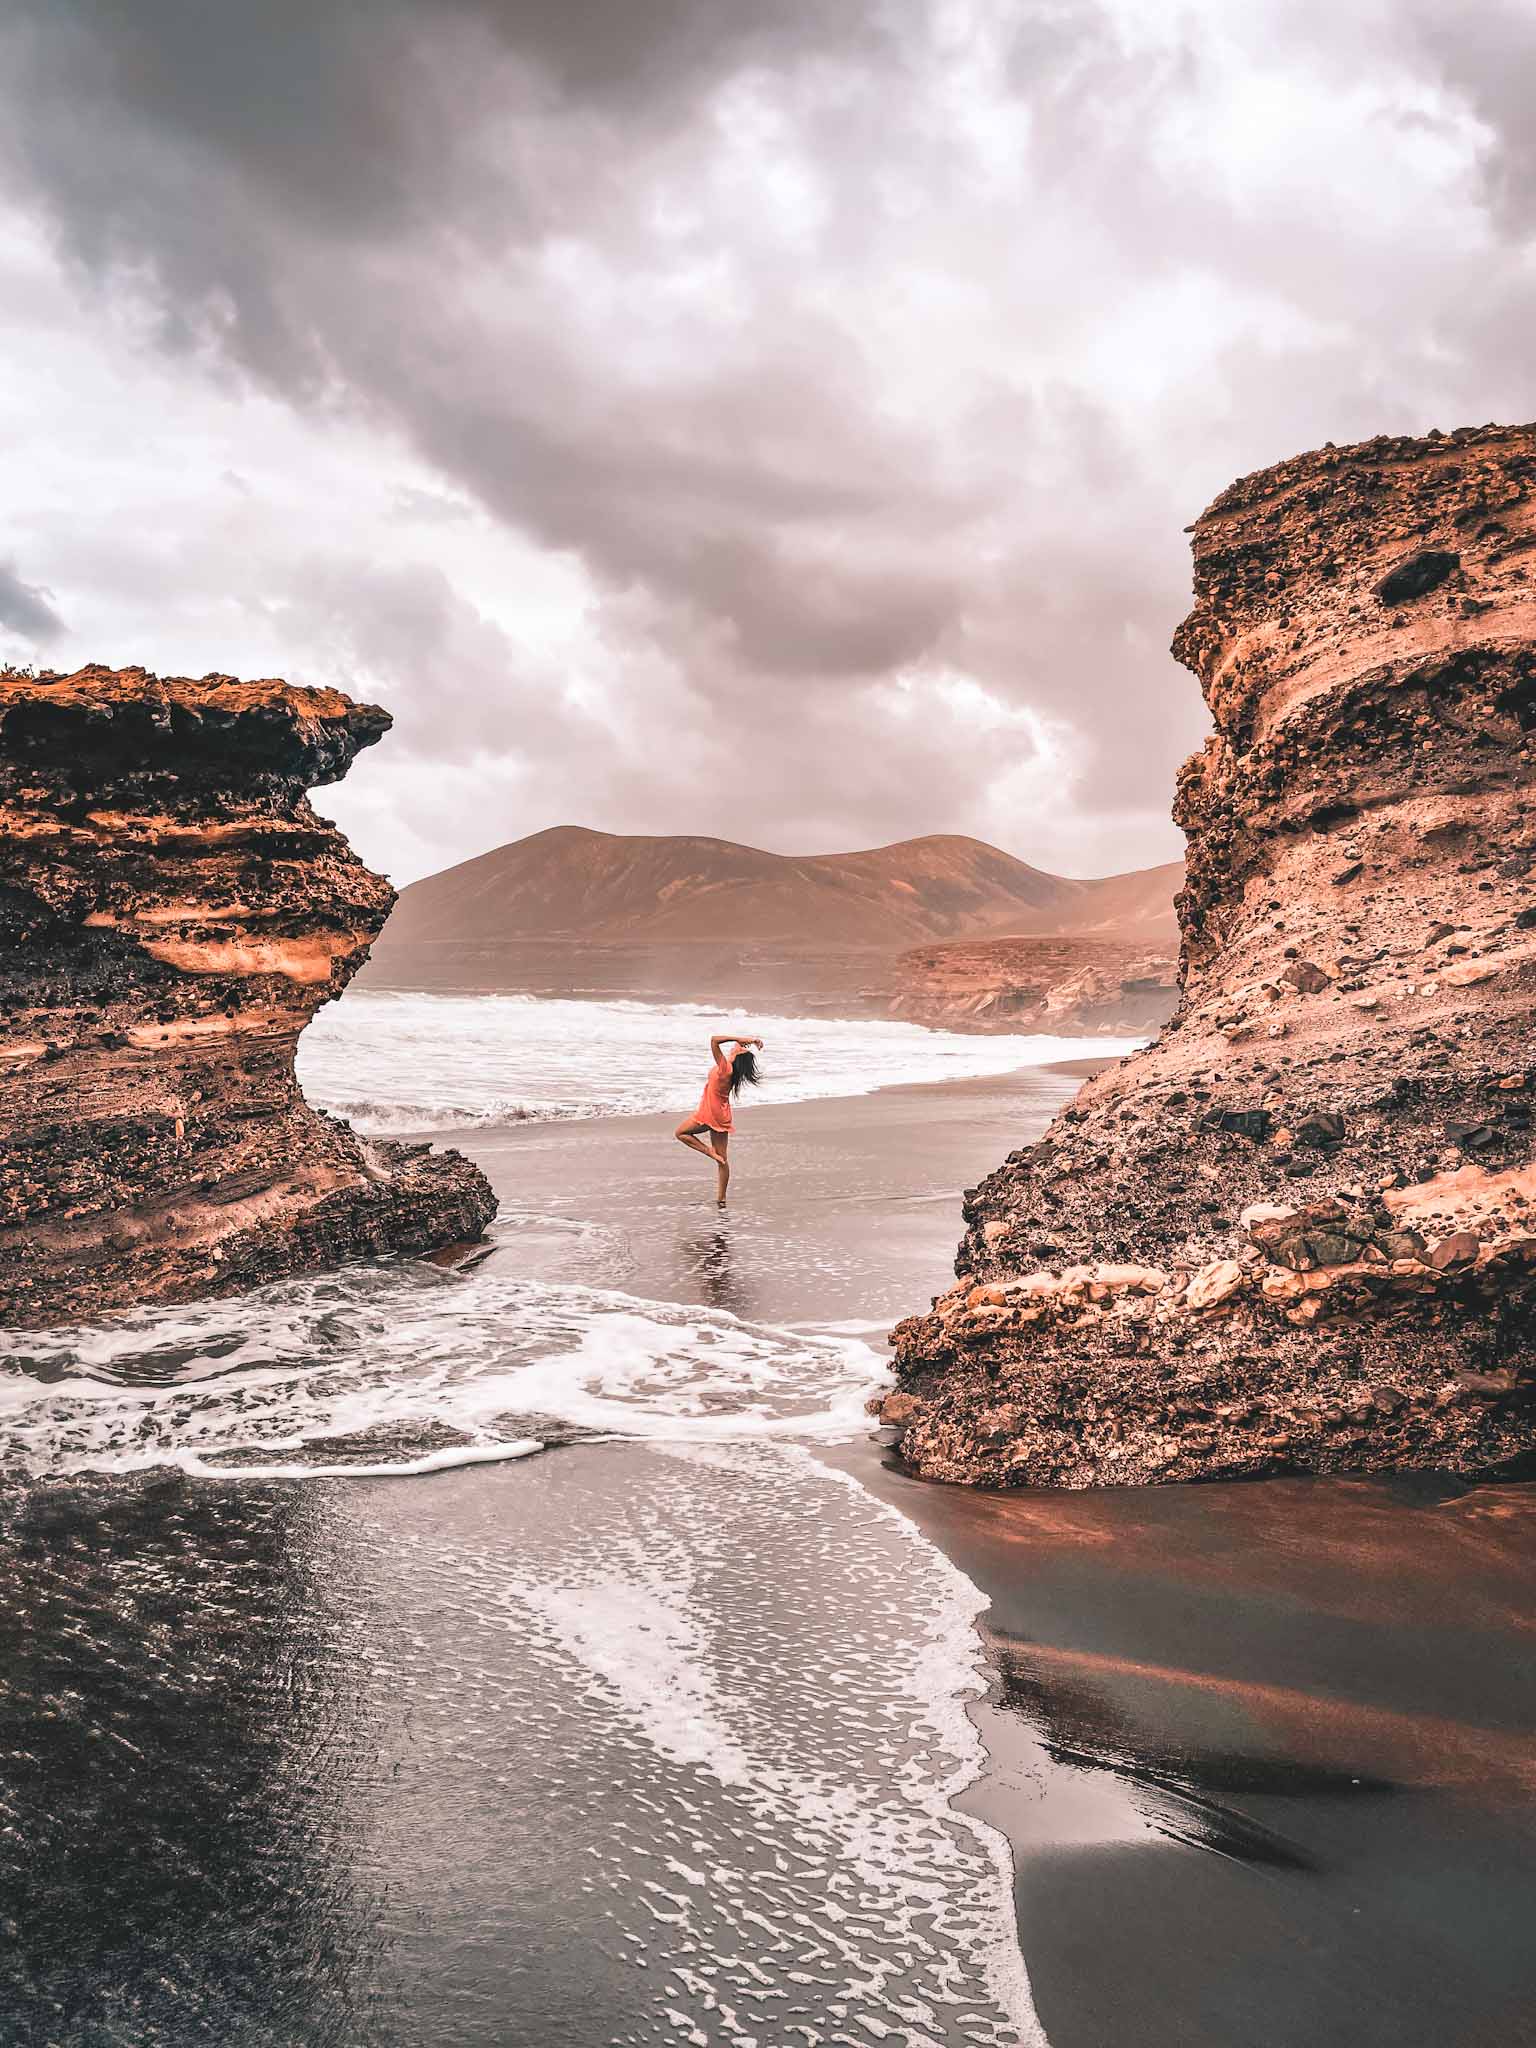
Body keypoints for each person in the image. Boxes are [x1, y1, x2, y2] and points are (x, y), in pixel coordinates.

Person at [675, 1031, 762, 1205]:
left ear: (738, 1057)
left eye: (739, 1048)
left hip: (710, 1112)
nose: (736, 1047)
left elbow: (714, 1040)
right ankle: (721, 1199)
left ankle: (708, 1152)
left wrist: (742, 1038)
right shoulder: (732, 1071)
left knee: (680, 1133)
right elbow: (729, 1045)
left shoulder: (726, 1068)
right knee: (723, 1160)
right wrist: (747, 1042)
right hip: (722, 1114)